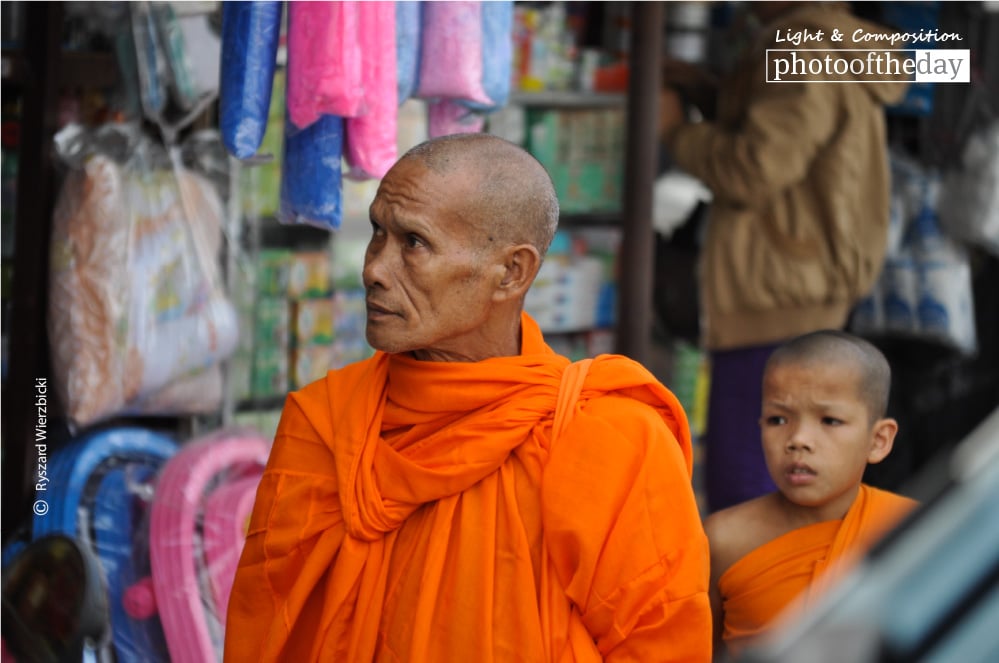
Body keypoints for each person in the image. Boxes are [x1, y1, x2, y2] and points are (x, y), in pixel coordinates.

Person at [224, 133, 712, 661]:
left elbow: (660, 643)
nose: (374, 269)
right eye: (377, 233)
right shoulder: (325, 423)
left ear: (511, 273)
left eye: (413, 243)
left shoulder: (607, 439)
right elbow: (265, 630)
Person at [658, 1, 909, 513]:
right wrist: (711, 92)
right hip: (799, 283)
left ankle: (760, 594)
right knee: (780, 477)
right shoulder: (827, 40)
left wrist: (675, 131)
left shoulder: (799, 43)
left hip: (776, 289)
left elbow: (755, 168)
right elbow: (785, 138)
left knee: (751, 487)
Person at [703, 330, 919, 659]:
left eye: (829, 420)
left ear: (878, 440)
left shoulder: (910, 529)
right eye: (778, 419)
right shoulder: (724, 539)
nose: (799, 439)